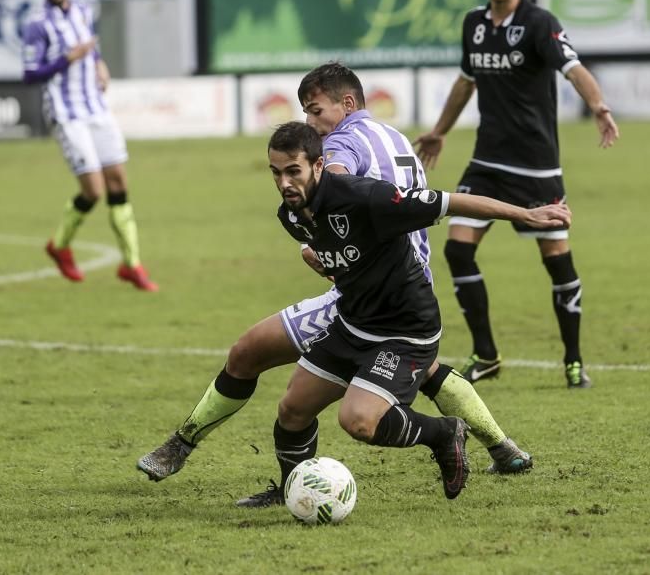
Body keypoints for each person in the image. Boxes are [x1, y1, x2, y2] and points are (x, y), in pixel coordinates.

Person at [138, 63, 534, 504]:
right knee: (391, 379)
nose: (311, 123)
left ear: (345, 106)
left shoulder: (339, 148)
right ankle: (502, 448)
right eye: (306, 115)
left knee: (251, 353)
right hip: (383, 284)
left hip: (387, 291)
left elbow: (342, 190)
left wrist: (526, 214)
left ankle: (182, 443)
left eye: (315, 111)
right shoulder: (393, 136)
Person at [254, 121, 571, 502]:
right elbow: (336, 249)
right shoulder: (291, 215)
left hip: (407, 329)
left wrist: (526, 215)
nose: (285, 182)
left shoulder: (364, 197)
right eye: (276, 173)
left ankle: (443, 434)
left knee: (357, 421)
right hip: (354, 323)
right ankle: (295, 492)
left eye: (294, 171)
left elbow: (450, 201)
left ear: (319, 166)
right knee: (292, 409)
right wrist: (327, 262)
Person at [413, 0, 620, 389]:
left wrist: (599, 105)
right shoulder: (474, 25)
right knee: (457, 248)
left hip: (536, 167)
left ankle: (573, 360)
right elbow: (466, 83)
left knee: (556, 261)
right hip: (487, 161)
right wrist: (440, 131)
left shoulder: (539, 23)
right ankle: (486, 355)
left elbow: (575, 69)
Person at [23, 0, 157, 291]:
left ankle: (132, 265)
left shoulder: (83, 10)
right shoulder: (38, 24)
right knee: (93, 190)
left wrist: (100, 66)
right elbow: (30, 74)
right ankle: (60, 245)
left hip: (96, 108)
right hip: (67, 113)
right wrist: (66, 59)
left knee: (118, 183)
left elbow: (91, 50)